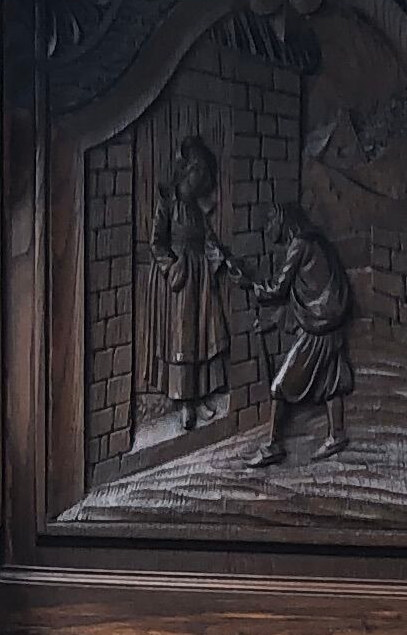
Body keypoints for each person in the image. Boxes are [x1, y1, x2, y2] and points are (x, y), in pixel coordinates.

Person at [244, 204, 357, 465]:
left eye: (270, 222)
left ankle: (273, 445)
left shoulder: (300, 244)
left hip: (319, 325)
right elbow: (306, 289)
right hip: (330, 319)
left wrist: (254, 287)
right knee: (332, 380)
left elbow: (280, 288)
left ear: (282, 219)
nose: (268, 229)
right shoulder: (316, 240)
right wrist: (274, 320)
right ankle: (336, 433)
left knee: (280, 385)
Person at [146, 134, 234, 432]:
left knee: (200, 334)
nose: (202, 179)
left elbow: (208, 239)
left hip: (200, 278)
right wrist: (170, 268)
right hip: (179, 281)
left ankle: (199, 395)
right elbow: (157, 243)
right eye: (199, 171)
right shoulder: (167, 204)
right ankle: (184, 403)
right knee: (183, 337)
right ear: (187, 172)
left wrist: (222, 258)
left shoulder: (197, 209)